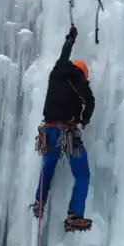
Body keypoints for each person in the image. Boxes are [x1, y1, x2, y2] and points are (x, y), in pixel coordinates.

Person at [32, 24, 95, 232]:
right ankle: (74, 215)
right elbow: (91, 101)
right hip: (67, 133)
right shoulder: (80, 81)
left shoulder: (58, 70)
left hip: (49, 130)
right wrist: (84, 120)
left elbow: (64, 52)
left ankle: (39, 202)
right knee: (82, 174)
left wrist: (71, 38)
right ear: (83, 73)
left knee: (48, 167)